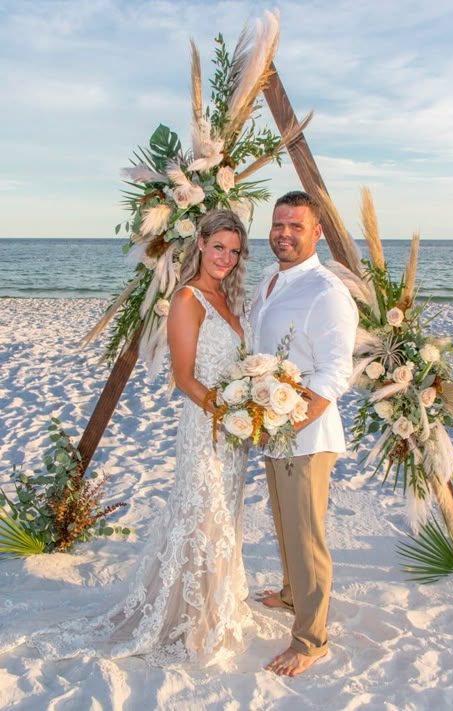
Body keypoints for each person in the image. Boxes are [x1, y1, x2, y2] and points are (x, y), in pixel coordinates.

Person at [3, 209, 252, 668]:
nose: (226, 258)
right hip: (206, 426)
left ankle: (212, 607)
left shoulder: (230, 298)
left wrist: (247, 411)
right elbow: (183, 379)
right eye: (219, 246)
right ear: (200, 243)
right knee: (203, 516)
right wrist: (227, 413)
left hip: (235, 434)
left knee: (224, 519)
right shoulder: (188, 299)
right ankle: (190, 618)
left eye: (234, 251)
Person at [249, 191, 358, 676]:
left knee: (306, 534)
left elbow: (336, 372)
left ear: (317, 233)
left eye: (296, 226)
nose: (284, 233)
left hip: (306, 437)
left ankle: (311, 640)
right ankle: (293, 594)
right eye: (278, 224)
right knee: (285, 522)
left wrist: (292, 420)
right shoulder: (271, 280)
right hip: (276, 429)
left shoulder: (325, 291)